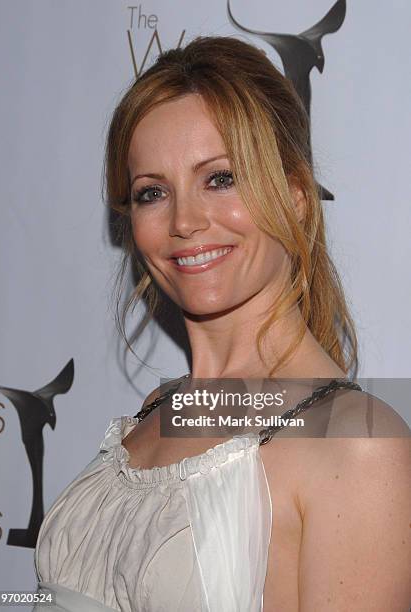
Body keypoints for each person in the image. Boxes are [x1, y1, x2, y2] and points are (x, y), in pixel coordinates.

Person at [33, 35, 411, 611]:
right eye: (152, 192)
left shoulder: (357, 444)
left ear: (297, 194)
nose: (184, 221)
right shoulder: (158, 409)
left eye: (220, 179)